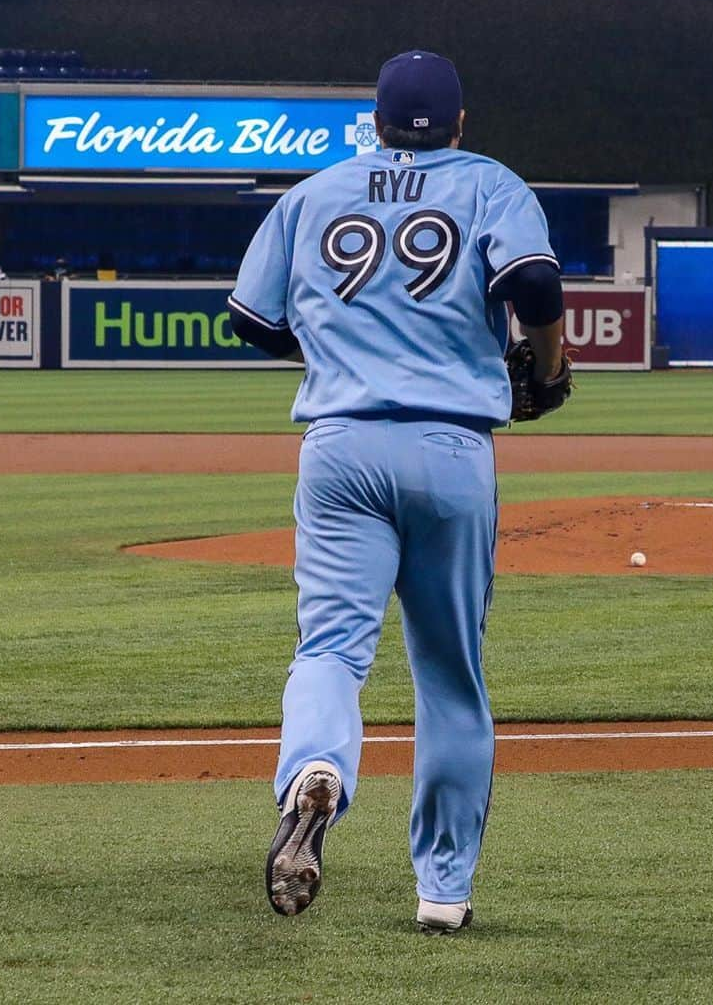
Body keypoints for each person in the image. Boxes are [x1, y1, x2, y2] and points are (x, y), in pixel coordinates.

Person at [227, 50, 569, 934]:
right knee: (450, 676)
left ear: (373, 121)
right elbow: (532, 284)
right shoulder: (489, 182)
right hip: (451, 447)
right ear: (459, 122)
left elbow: (250, 318)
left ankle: (317, 772)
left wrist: (343, 356)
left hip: (340, 447)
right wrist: (552, 368)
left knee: (331, 650)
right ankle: (442, 894)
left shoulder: (312, 193)